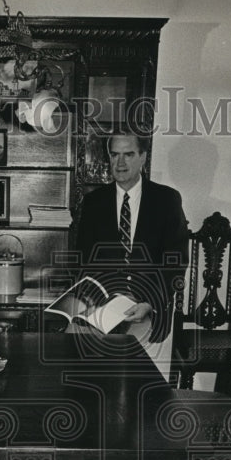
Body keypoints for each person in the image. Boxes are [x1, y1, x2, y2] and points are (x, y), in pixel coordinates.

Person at [75, 132, 189, 349]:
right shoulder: (93, 203)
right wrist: (93, 302)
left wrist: (149, 303)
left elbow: (175, 262)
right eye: (114, 154)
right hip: (102, 309)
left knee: (127, 360)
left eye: (128, 154)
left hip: (148, 309)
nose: (120, 162)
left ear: (143, 157)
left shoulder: (166, 200)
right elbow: (82, 261)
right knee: (75, 346)